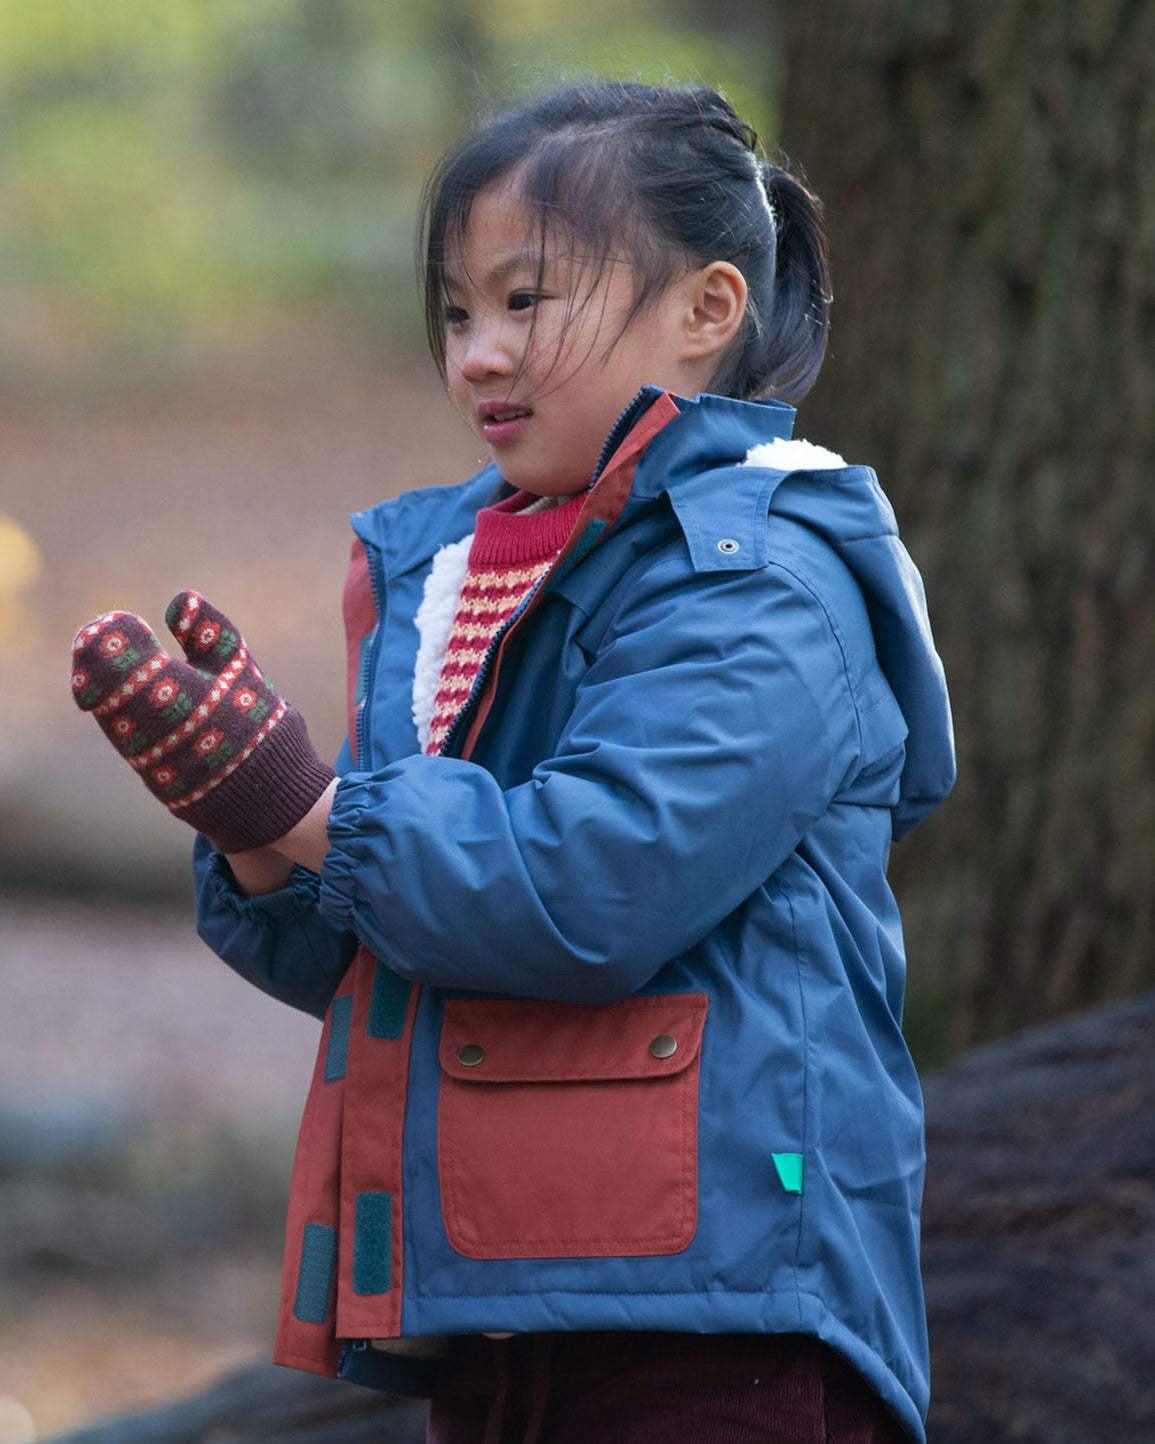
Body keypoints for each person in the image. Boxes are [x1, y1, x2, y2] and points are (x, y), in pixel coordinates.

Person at [71, 79, 954, 1444]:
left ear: (707, 310)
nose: (479, 354)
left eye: (527, 301)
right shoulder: (457, 578)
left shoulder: (763, 579)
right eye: (454, 313)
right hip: (501, 1300)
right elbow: (393, 953)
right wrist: (253, 830)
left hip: (720, 1317)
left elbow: (594, 885)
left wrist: (308, 807)